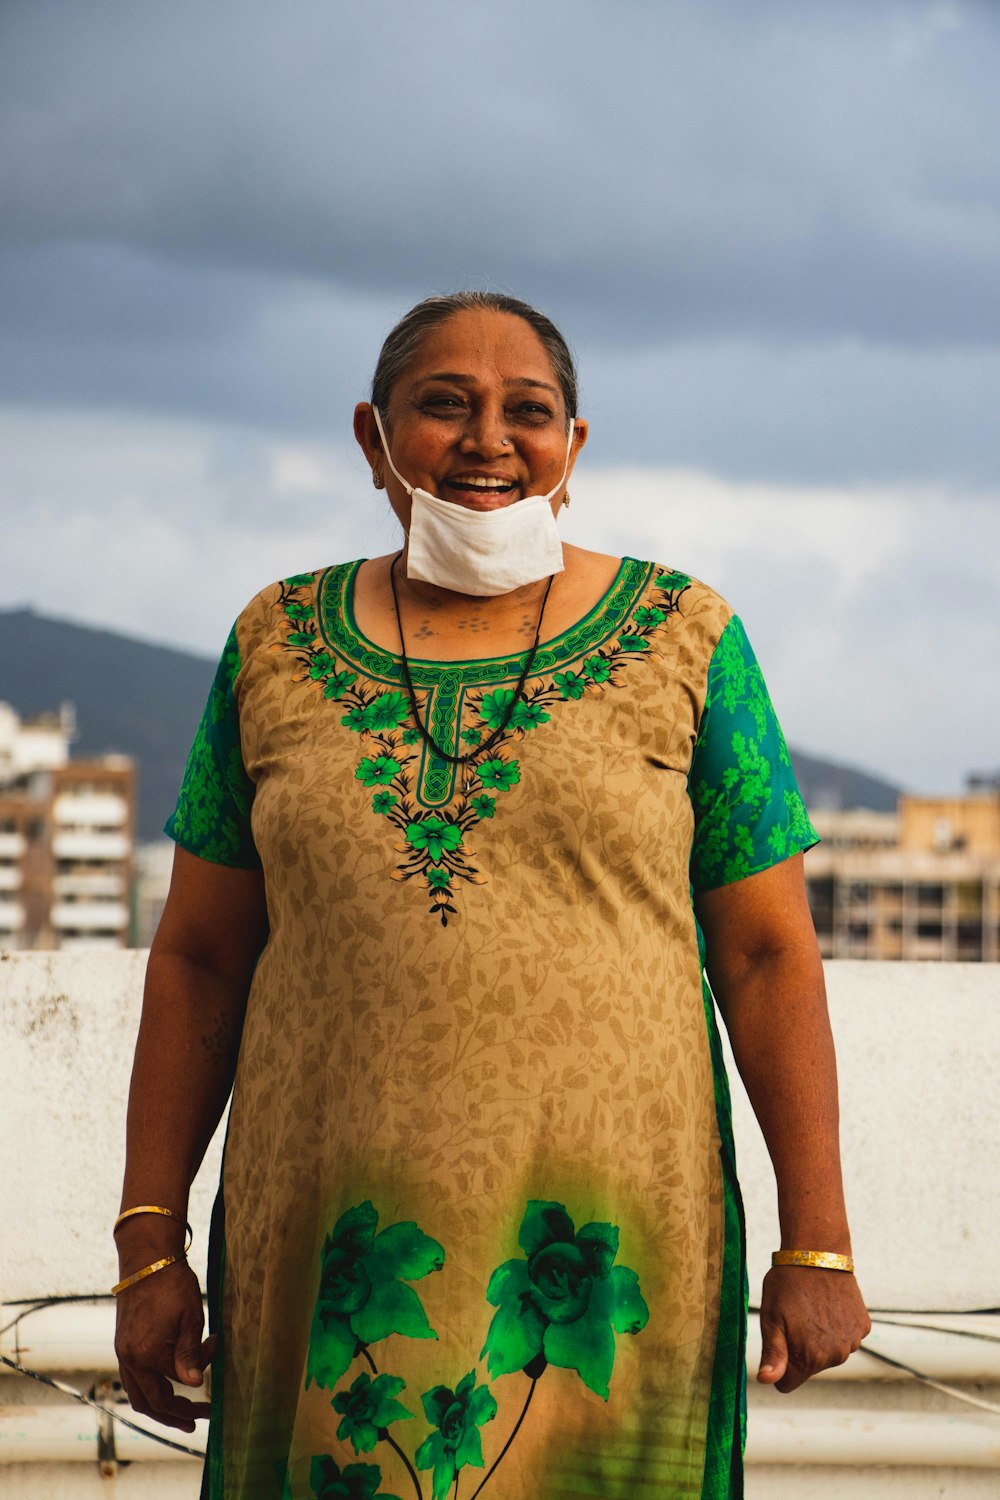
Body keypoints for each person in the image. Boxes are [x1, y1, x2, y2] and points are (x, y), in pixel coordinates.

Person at [114, 291, 870, 1500]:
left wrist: (817, 1243)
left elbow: (769, 957)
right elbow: (199, 957)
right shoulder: (274, 645)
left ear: (572, 451)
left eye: (529, 412)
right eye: (443, 406)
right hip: (328, 1275)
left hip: (607, 1270)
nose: (487, 441)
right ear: (372, 438)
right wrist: (147, 1244)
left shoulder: (688, 640)